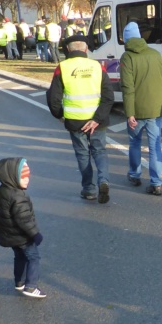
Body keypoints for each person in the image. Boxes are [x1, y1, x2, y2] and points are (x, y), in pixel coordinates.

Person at [46, 35, 115, 202]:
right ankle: (103, 180)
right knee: (100, 151)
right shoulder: (98, 66)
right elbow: (108, 96)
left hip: (75, 120)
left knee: (83, 154)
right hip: (97, 122)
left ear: (68, 50)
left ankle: (89, 189)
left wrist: (60, 115)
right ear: (86, 49)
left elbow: (53, 98)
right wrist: (97, 118)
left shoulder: (62, 67)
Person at [121, 22, 162, 196]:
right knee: (155, 145)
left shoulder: (127, 57)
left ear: (126, 39)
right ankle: (156, 182)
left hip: (137, 110)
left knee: (135, 143)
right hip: (155, 109)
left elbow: (127, 87)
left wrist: (130, 113)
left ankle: (135, 174)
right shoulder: (155, 54)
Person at [0, 157, 46, 298]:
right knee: (33, 258)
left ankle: (19, 282)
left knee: (19, 257)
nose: (27, 179)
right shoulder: (18, 197)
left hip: (10, 236)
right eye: (23, 177)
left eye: (28, 176)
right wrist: (35, 234)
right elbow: (25, 220)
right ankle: (31, 286)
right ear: (12, 178)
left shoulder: (2, 191)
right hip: (23, 237)